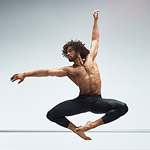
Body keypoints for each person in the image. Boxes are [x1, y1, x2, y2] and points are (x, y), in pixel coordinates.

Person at [10, 9, 128, 140]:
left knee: (122, 107)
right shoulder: (70, 71)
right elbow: (47, 72)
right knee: (52, 114)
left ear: (78, 50)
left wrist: (95, 21)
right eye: (67, 53)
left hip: (96, 101)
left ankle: (91, 125)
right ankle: (77, 130)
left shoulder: (91, 59)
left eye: (70, 51)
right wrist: (25, 74)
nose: (68, 54)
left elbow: (95, 40)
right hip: (82, 101)